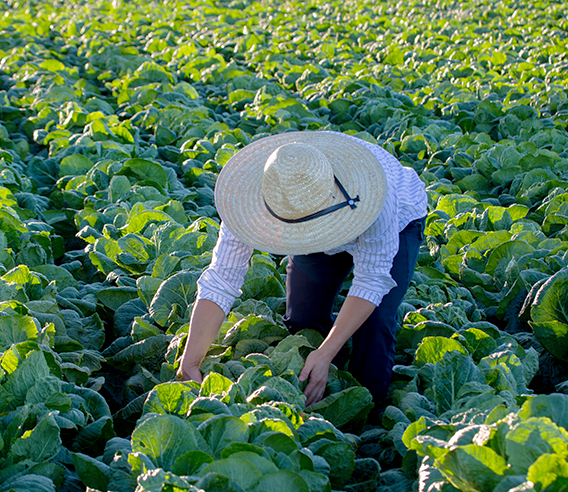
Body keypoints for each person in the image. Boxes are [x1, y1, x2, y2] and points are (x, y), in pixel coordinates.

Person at [178, 130, 427, 407]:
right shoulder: (251, 198)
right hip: (311, 214)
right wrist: (191, 360)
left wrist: (326, 353)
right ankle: (320, 380)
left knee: (376, 321)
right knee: (303, 318)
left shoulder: (375, 195)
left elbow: (372, 281)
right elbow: (221, 280)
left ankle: (367, 412)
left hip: (399, 221)